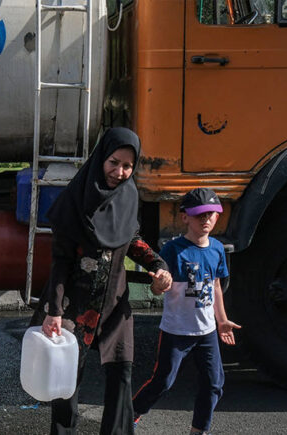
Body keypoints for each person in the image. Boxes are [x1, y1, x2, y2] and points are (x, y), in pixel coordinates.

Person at [31, 127, 173, 435]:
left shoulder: (128, 196)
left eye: (128, 166)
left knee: (121, 375)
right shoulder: (75, 200)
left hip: (114, 303)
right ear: (101, 159)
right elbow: (61, 262)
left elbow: (131, 239)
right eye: (114, 163)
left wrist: (158, 265)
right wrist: (54, 311)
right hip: (74, 305)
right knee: (67, 380)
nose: (120, 172)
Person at [132, 187, 241, 435]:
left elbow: (215, 286)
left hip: (207, 332)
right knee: (163, 381)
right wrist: (159, 285)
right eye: (199, 215)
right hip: (176, 331)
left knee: (214, 384)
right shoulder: (173, 250)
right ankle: (132, 413)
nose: (205, 219)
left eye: (211, 214)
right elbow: (158, 287)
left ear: (217, 216)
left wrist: (222, 321)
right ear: (184, 217)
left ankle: (199, 430)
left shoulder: (217, 249)